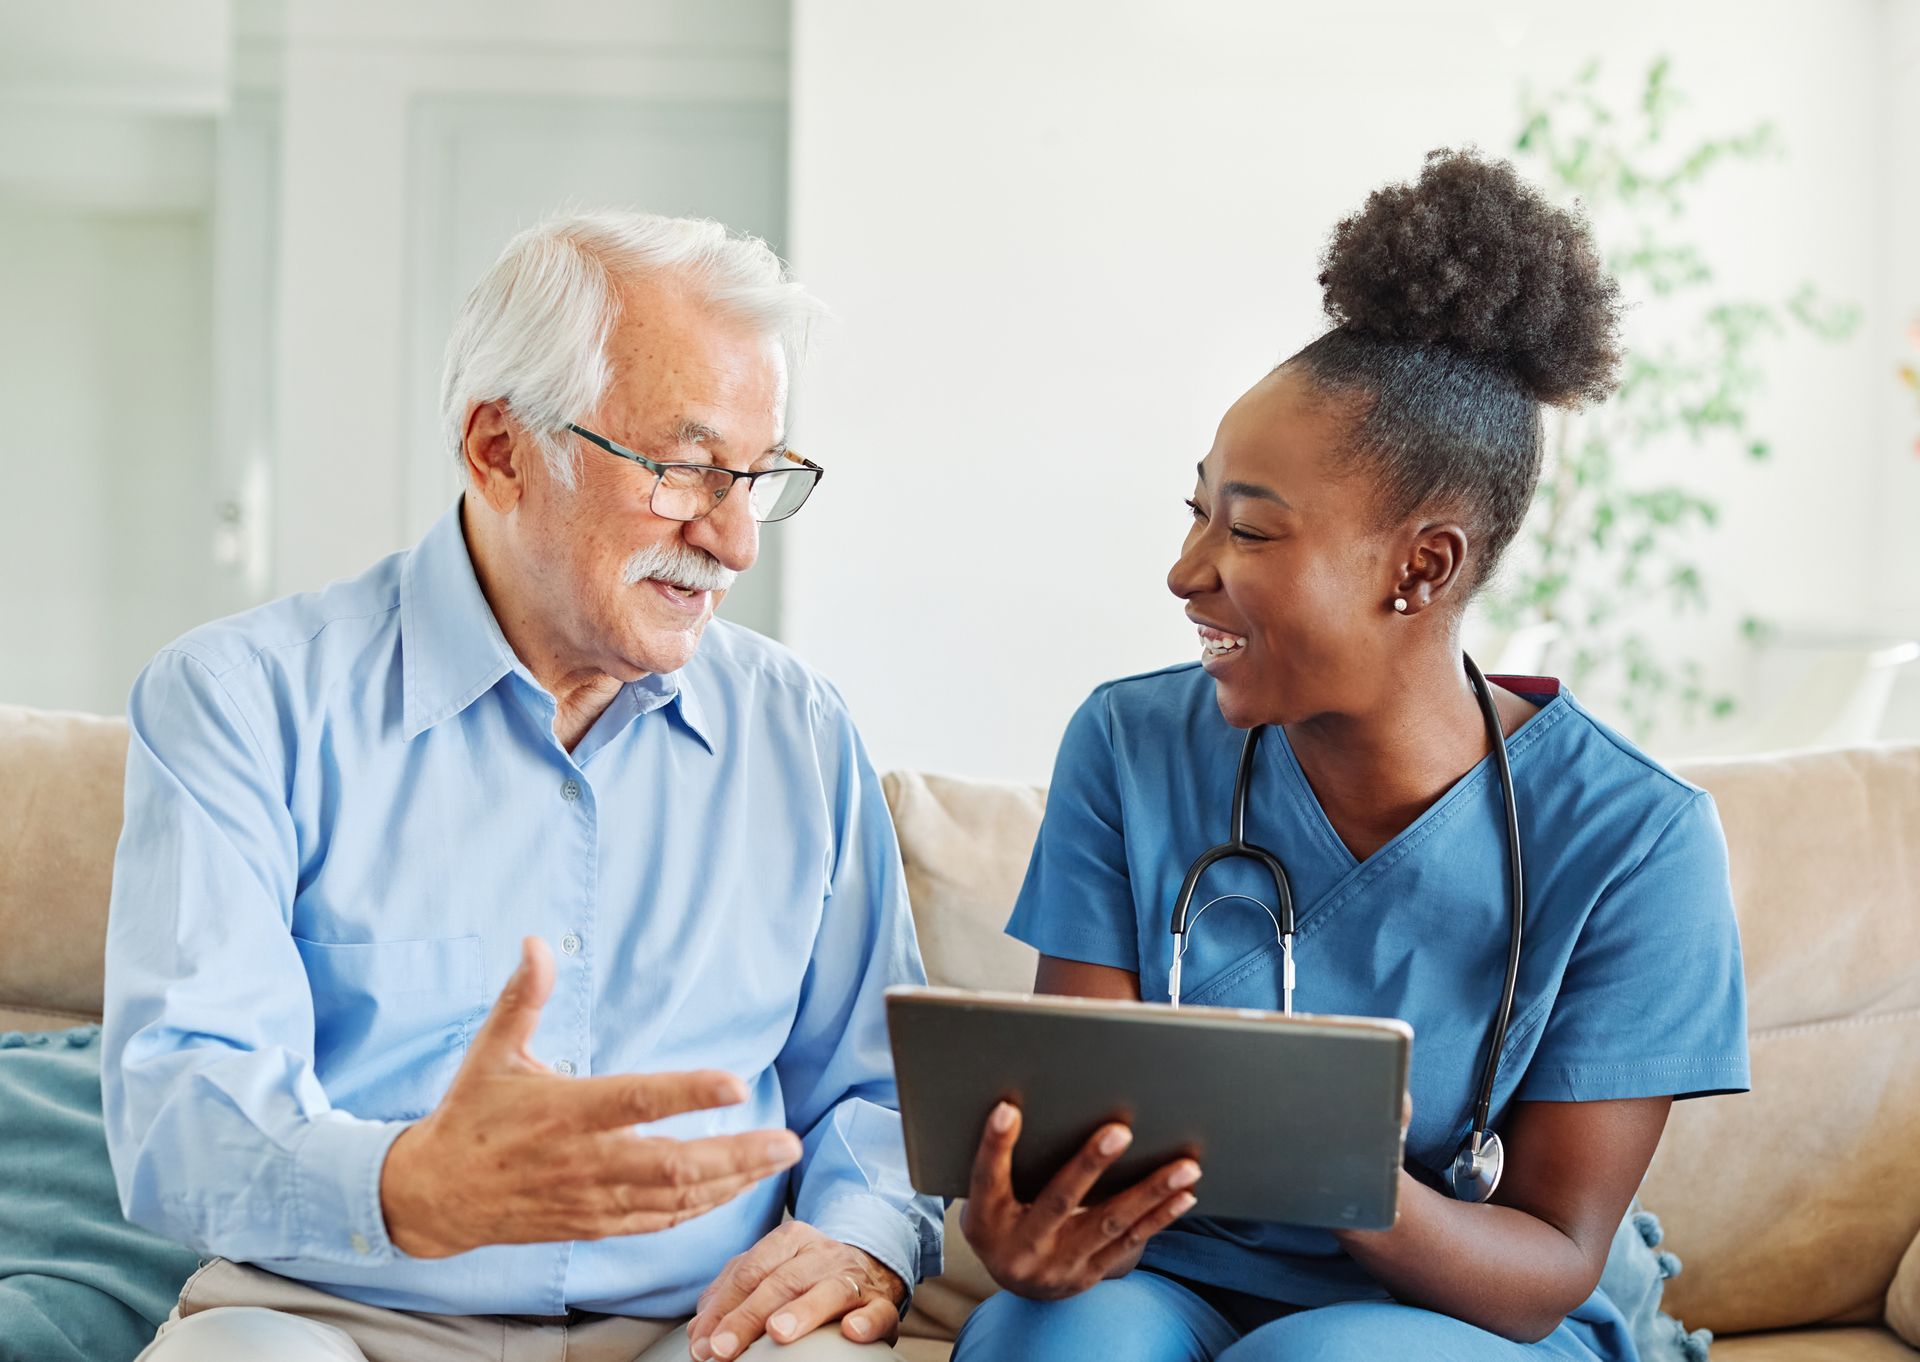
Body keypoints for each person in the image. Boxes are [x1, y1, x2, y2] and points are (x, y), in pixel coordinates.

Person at [952, 149, 1749, 1361]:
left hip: (1460, 1307)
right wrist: (1025, 1236)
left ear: (1421, 569)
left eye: (1252, 528)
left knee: (1315, 1361)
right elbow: (1075, 1139)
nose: (1186, 572)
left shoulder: (1635, 839)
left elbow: (1544, 1268)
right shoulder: (1129, 743)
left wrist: (1338, 1169)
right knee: (1049, 1343)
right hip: (1171, 1277)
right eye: (1198, 510)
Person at [101, 212, 939, 1362]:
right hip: (333, 1312)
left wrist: (863, 1238)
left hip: (701, 1328)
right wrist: (408, 1186)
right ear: (501, 450)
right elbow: (176, 1119)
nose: (737, 540)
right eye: (687, 470)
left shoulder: (800, 732)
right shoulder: (240, 701)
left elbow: (881, 1093)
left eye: (757, 475)